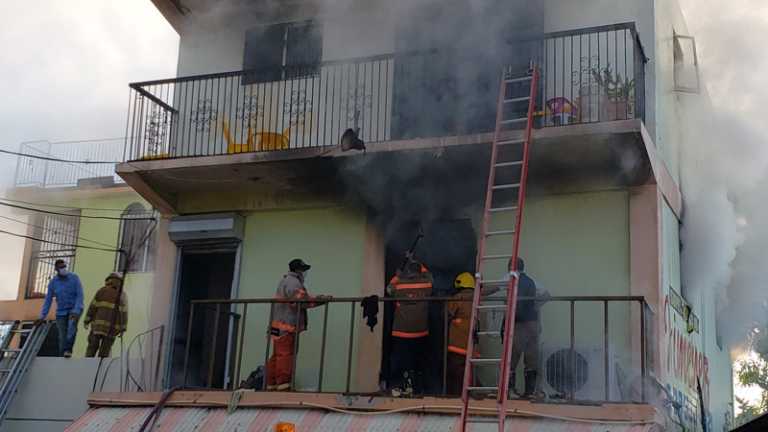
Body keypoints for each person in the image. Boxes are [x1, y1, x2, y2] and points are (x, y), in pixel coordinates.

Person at [267, 258, 329, 391]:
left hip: (277, 325)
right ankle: (283, 384)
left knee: (277, 354)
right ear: (298, 270)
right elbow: (301, 302)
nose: (305, 273)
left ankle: (271, 383)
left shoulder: (286, 281)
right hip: (286, 326)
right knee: (286, 354)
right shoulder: (293, 282)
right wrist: (321, 300)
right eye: (304, 270)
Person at [446, 272, 502, 395]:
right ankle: (480, 392)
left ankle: (459, 396)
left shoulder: (457, 298)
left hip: (457, 344)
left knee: (455, 373)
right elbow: (488, 290)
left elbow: (447, 315)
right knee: (469, 371)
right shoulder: (477, 297)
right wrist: (501, 285)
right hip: (473, 343)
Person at [386, 257, 432, 397]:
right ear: (419, 272)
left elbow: (388, 289)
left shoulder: (399, 284)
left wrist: (398, 275)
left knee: (401, 361)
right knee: (419, 361)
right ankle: (419, 389)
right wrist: (418, 262)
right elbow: (430, 277)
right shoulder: (426, 285)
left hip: (401, 331)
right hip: (420, 332)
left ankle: (400, 387)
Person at [506, 257, 549, 398]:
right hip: (533, 324)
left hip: (519, 323)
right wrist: (534, 307)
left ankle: (510, 391)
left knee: (512, 357)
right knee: (531, 358)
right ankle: (530, 393)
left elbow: (492, 289)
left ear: (511, 267)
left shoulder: (510, 277)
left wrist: (477, 292)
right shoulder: (532, 281)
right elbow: (547, 295)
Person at [37, 259, 84, 358]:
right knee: (62, 335)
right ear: (56, 269)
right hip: (61, 311)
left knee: (71, 327)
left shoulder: (74, 278)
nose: (63, 269)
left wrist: (76, 311)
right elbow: (48, 300)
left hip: (74, 308)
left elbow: (80, 295)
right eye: (61, 267)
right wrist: (42, 316)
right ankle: (61, 355)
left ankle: (68, 350)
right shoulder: (53, 283)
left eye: (64, 266)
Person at [83, 272, 128, 358]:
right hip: (112, 329)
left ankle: (87, 365)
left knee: (92, 348)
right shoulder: (122, 295)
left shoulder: (102, 291)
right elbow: (124, 313)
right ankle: (101, 369)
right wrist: (123, 328)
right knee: (104, 351)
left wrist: (87, 320)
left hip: (97, 327)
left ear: (108, 280)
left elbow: (92, 307)